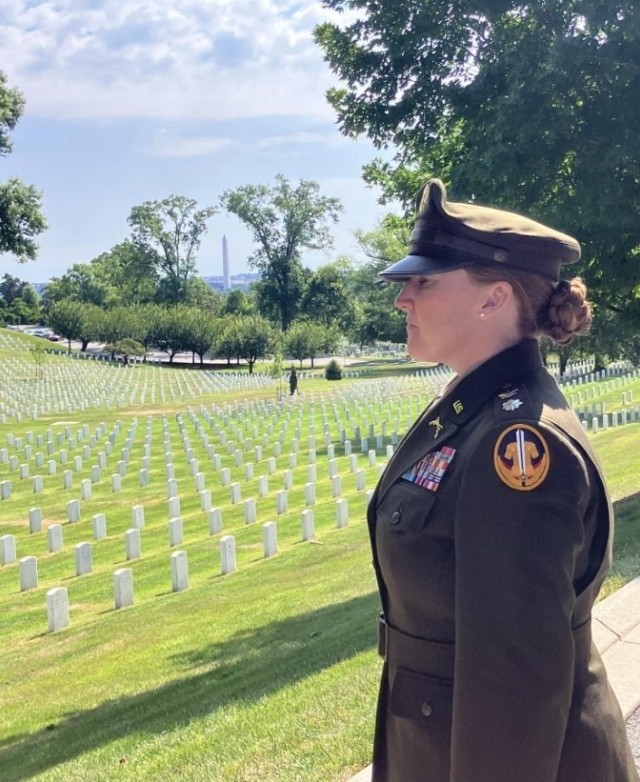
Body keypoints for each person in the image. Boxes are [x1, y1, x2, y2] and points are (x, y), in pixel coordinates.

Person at [368, 179, 639, 782]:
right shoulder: (473, 410)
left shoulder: (515, 448)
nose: (402, 298)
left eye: (425, 282)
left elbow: (515, 683)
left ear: (493, 299)